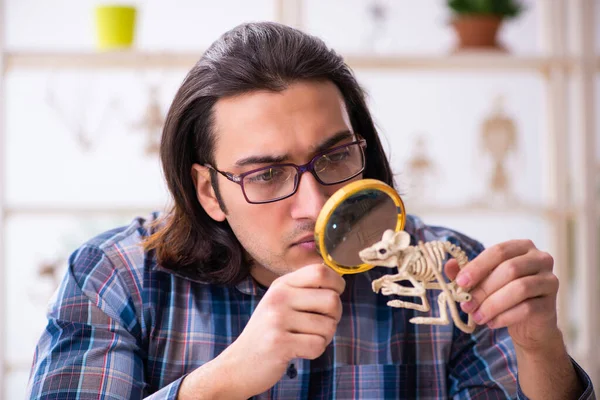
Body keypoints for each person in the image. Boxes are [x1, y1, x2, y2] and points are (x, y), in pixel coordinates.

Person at [26, 22, 595, 400]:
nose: (315, 203)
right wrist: (222, 380)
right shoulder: (114, 278)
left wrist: (540, 348)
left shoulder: (450, 273)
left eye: (335, 156)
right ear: (207, 192)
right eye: (266, 174)